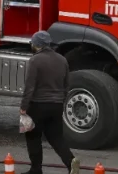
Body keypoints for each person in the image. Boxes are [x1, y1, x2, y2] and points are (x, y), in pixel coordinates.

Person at [20, 31, 78, 174]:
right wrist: (61, 101)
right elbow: (66, 85)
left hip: (38, 105)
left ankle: (36, 169)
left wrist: (23, 107)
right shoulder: (62, 60)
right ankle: (71, 162)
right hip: (56, 105)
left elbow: (30, 87)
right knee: (56, 137)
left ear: (37, 45)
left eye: (32, 43)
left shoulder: (35, 60)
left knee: (33, 136)